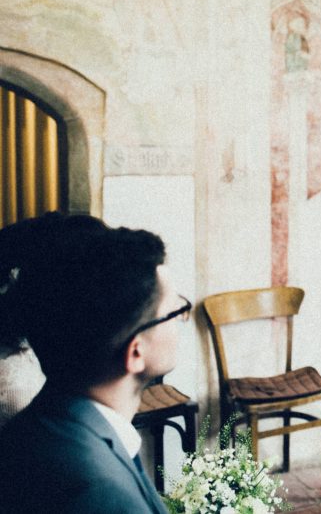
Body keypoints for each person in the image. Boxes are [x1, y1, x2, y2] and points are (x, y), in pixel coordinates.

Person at [0, 213, 189, 513]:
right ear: (135, 353)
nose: (182, 318)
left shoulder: (47, 422)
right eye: (174, 310)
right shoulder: (99, 492)